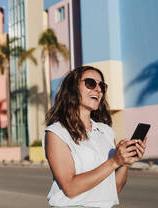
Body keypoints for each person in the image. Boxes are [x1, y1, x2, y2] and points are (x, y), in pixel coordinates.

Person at [44, 66, 146, 208]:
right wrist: (114, 162)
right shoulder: (57, 132)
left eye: (102, 86)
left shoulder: (106, 132)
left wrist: (124, 163)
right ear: (73, 89)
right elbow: (70, 188)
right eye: (90, 83)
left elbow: (114, 189)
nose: (98, 89)